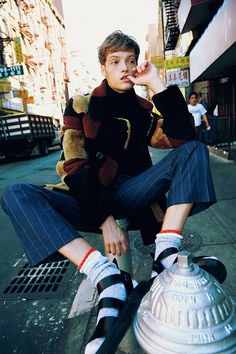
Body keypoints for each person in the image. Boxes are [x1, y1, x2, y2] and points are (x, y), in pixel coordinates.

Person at [1, 31, 218, 354]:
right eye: (115, 61)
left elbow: (183, 139)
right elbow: (74, 163)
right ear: (103, 67)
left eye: (131, 60)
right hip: (89, 199)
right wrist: (105, 219)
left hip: (134, 193)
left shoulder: (145, 109)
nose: (125, 67)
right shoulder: (82, 105)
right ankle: (106, 278)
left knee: (194, 152)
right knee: (15, 193)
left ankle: (166, 251)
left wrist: (157, 84)